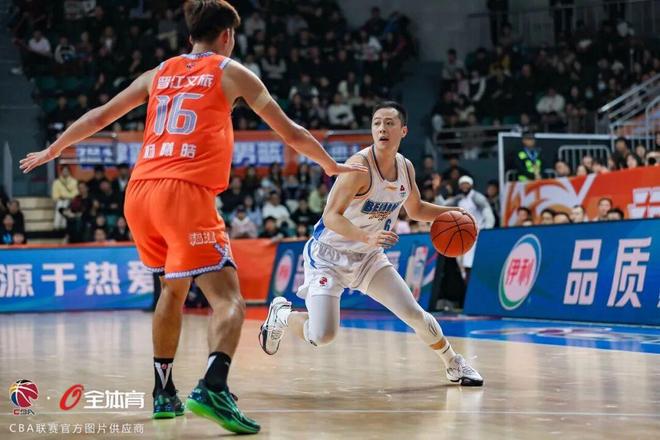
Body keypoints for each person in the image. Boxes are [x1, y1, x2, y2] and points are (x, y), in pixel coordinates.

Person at [19, 0, 366, 434]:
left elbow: (100, 116)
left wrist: (54, 149)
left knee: (172, 289)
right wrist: (329, 165)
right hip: (183, 193)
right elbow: (291, 132)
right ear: (227, 36)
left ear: (190, 37)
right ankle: (214, 387)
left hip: (140, 193)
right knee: (230, 300)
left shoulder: (158, 72)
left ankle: (163, 392)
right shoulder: (232, 71)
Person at [259, 102, 483, 387]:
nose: (382, 128)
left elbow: (415, 210)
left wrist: (454, 213)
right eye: (377, 123)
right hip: (329, 256)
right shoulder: (359, 167)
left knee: (413, 313)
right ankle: (282, 314)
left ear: (403, 131)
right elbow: (330, 217)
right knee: (322, 335)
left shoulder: (405, 168)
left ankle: (453, 363)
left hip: (368, 258)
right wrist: (368, 237)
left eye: (389, 123)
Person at [446, 175, 495, 284]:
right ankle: (466, 283)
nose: (464, 186)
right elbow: (443, 206)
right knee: (461, 264)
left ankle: (474, 283)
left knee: (472, 262)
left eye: (466, 184)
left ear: (471, 185)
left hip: (478, 234)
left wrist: (488, 230)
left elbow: (488, 214)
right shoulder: (458, 199)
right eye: (462, 184)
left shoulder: (477, 197)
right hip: (463, 235)